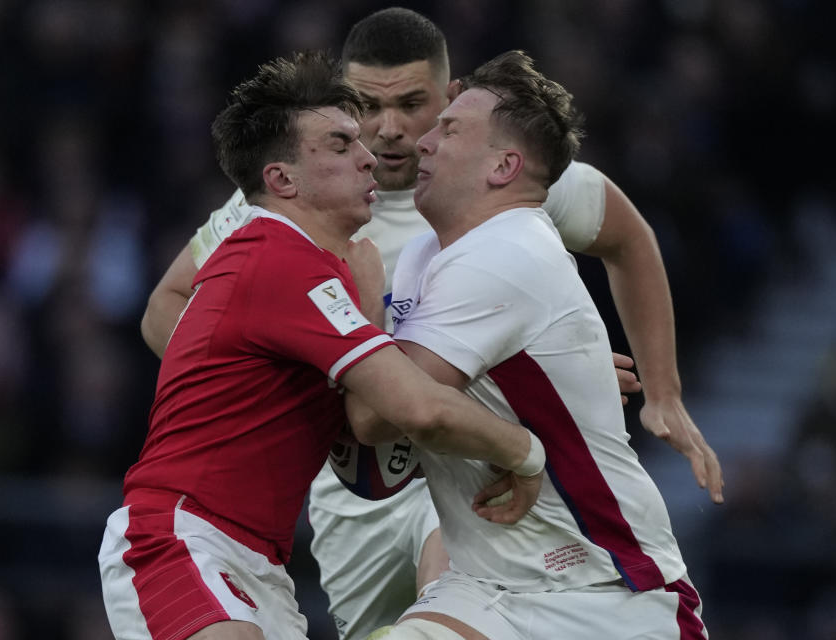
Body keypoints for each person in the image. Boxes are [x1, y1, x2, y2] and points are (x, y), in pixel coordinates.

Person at [138, 8, 722, 638]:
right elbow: (169, 308)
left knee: (451, 560)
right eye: (365, 108)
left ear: (449, 98)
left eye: (416, 107)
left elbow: (630, 239)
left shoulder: (510, 185)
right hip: (358, 480)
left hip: (460, 467)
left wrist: (661, 391)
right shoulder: (288, 203)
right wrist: (308, 380)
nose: (391, 131)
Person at [97, 50, 548, 640]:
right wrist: (526, 449)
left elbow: (373, 412)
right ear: (283, 180)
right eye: (340, 146)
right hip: (180, 534)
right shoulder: (274, 255)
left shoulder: (310, 267)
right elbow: (416, 405)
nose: (370, 159)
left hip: (260, 563)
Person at [350, 49, 707, 640]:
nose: (424, 141)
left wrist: (359, 313)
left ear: (503, 166)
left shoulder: (503, 254)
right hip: (487, 588)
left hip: (604, 595)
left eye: (449, 128)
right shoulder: (426, 252)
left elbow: (380, 411)